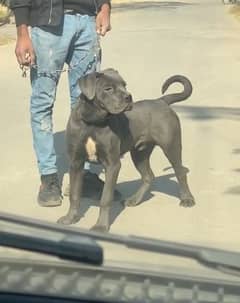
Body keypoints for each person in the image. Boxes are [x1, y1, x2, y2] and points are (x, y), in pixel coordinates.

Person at [10, 0, 111, 207]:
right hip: (47, 27)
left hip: (86, 22)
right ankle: (48, 178)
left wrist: (105, 7)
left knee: (88, 102)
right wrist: (22, 33)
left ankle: (85, 177)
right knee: (43, 104)